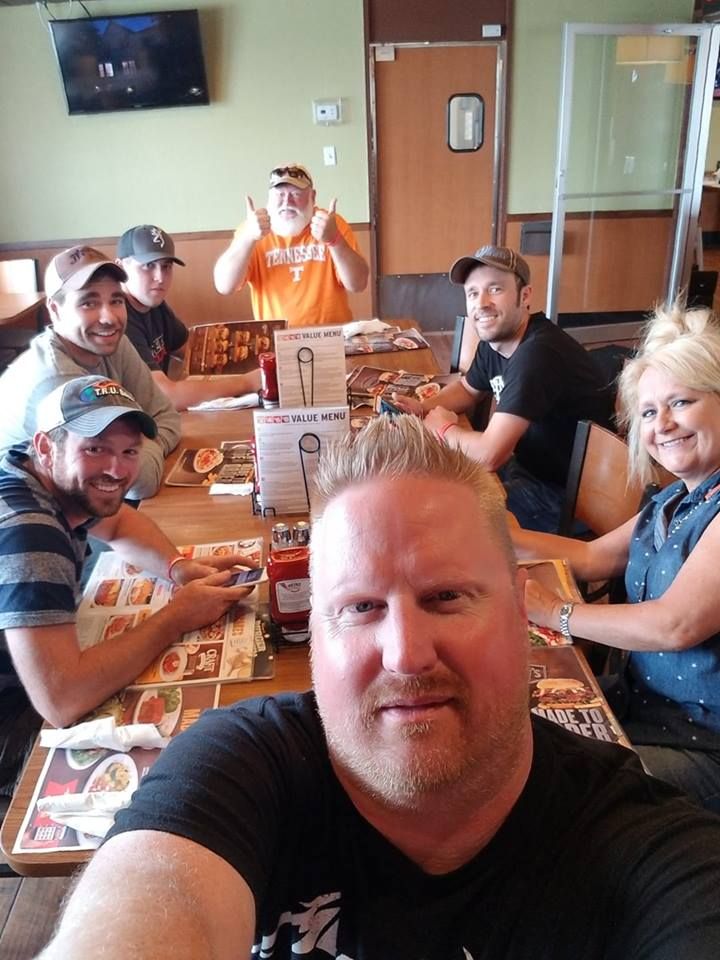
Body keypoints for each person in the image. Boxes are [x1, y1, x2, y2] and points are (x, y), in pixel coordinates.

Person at [38, 416, 720, 959]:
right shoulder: (241, 769)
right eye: (361, 607)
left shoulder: (648, 852)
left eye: (447, 596)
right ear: (315, 634)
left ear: (522, 612)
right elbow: (151, 897)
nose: (406, 655)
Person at [0, 375, 254, 802]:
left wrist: (178, 569)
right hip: (14, 715)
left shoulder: (33, 472)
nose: (116, 470)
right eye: (95, 449)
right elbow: (61, 699)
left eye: (129, 452)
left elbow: (117, 521)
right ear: (45, 447)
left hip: (36, 677)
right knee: (205, 767)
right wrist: (177, 616)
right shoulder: (30, 533)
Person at [512, 302, 720, 814]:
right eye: (648, 412)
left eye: (681, 402)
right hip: (641, 707)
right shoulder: (676, 497)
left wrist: (555, 612)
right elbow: (590, 557)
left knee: (543, 794)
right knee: (510, 729)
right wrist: (497, 535)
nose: (662, 424)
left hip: (701, 745)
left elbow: (674, 625)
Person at [393, 245, 613, 533]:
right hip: (526, 468)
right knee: (419, 487)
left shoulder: (538, 354)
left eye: (495, 289)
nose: (481, 303)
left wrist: (443, 430)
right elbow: (468, 390)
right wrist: (423, 408)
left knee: (430, 520)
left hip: (564, 498)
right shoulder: (496, 340)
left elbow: (489, 455)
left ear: (525, 296)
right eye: (473, 293)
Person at [0, 245, 180, 500]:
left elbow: (167, 416)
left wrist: (136, 449)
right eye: (89, 303)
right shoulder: (56, 379)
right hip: (30, 511)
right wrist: (142, 448)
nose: (109, 317)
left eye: (116, 300)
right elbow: (142, 482)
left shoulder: (110, 341)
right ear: (55, 310)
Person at [117, 224, 261, 409]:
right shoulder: (120, 319)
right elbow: (167, 396)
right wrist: (247, 382)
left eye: (166, 266)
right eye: (148, 266)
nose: (160, 277)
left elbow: (196, 352)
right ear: (121, 268)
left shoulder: (154, 305)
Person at [213, 163, 369, 326]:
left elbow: (358, 284)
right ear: (269, 197)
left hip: (332, 334)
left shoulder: (331, 224)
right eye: (280, 194)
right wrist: (248, 237)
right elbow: (224, 286)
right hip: (275, 336)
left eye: (296, 193)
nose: (287, 201)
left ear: (312, 196)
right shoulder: (252, 229)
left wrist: (334, 240)